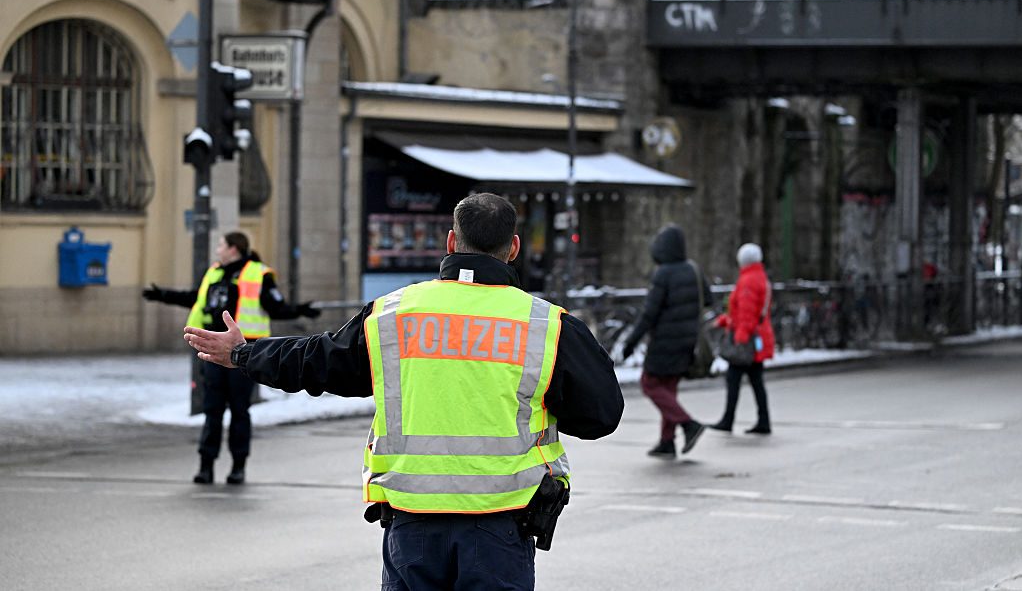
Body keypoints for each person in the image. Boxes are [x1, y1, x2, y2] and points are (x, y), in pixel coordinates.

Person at [183, 193, 624, 591]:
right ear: (513, 248)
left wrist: (244, 354)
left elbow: (320, 360)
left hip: (412, 526)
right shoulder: (547, 325)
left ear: (451, 242)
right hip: (501, 528)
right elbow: (601, 415)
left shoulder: (393, 313)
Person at [143, 231, 321, 485]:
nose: (218, 249)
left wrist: (300, 310)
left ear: (234, 249)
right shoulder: (215, 272)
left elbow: (276, 307)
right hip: (213, 352)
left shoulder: (259, 274)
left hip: (243, 353)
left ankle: (238, 467)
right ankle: (206, 466)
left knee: (240, 410)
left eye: (221, 245)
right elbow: (196, 298)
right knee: (212, 410)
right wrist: (163, 295)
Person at [621, 224, 711, 459]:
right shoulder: (693, 269)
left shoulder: (664, 274)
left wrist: (631, 342)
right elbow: (708, 299)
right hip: (688, 340)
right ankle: (667, 441)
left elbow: (649, 314)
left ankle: (688, 423)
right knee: (668, 389)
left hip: (664, 342)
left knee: (650, 384)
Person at [710, 242, 775, 435]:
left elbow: (746, 313)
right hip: (757, 338)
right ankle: (763, 420)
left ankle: (728, 419)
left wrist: (740, 337)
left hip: (746, 340)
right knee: (756, 381)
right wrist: (726, 320)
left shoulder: (747, 280)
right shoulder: (760, 277)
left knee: (733, 379)